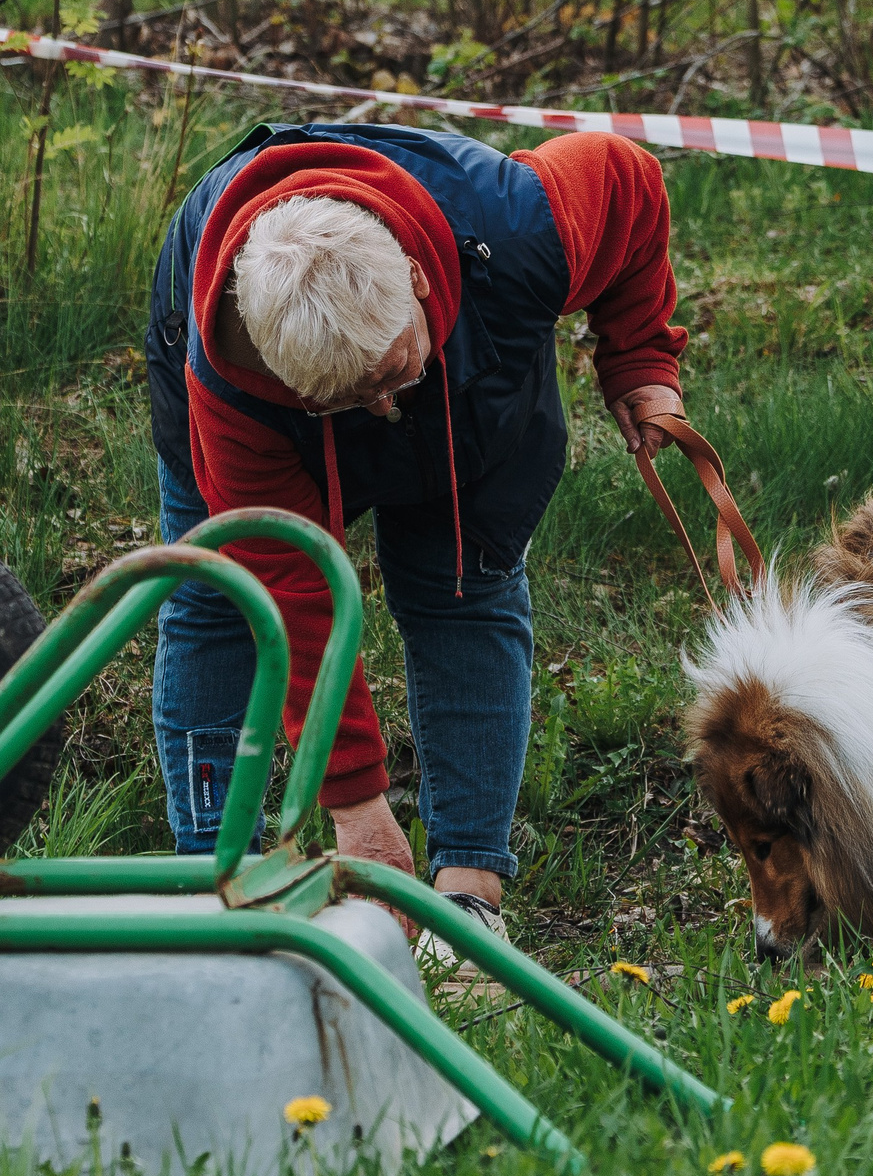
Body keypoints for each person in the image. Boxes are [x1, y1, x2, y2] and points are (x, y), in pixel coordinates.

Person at [145, 122, 689, 949]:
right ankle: (215, 885)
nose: (381, 410)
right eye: (345, 399)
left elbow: (633, 184)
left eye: (392, 375)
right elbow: (292, 595)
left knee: (462, 586)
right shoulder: (232, 379)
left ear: (414, 281)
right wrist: (358, 810)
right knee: (225, 600)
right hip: (266, 405)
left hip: (476, 385)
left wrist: (641, 357)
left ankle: (468, 898)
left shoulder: (516, 226)